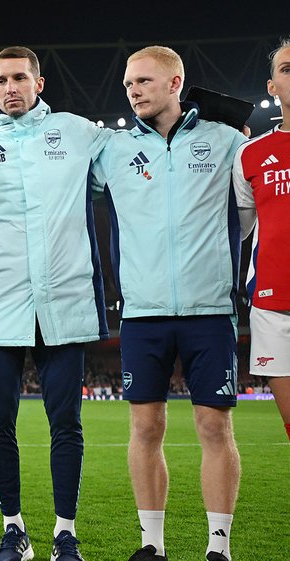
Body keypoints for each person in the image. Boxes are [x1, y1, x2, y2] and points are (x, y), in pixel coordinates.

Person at [0, 46, 112, 561]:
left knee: (67, 423)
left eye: (20, 77)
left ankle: (65, 533)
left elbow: (136, 156)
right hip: (0, 303)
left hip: (64, 299)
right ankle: (14, 529)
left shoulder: (77, 131)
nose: (10, 87)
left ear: (39, 82)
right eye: (1, 80)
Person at [91, 46, 247, 561]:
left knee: (213, 426)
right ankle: (151, 545)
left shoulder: (225, 142)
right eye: (128, 83)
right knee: (145, 426)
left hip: (209, 310)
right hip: (142, 311)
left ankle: (218, 547)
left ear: (176, 82)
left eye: (144, 81)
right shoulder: (111, 151)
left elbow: (253, 203)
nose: (133, 90)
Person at [233, 39, 290, 443]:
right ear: (272, 87)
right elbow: (242, 226)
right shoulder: (251, 154)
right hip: (273, 304)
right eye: (286, 69)